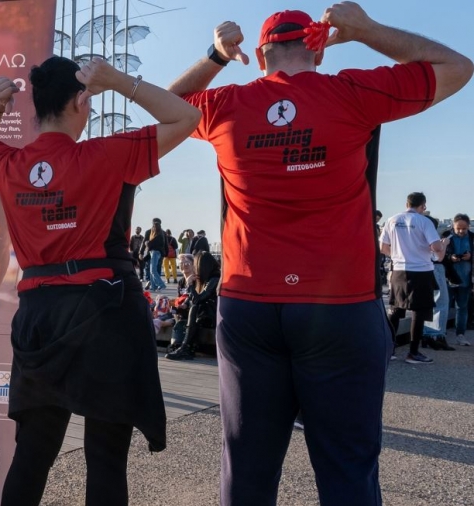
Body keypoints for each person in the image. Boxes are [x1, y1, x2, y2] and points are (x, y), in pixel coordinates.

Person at [167, 3, 471, 504]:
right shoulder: (351, 92)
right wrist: (367, 30)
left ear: (260, 56)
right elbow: (457, 67)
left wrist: (216, 56)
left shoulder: (226, 103)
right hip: (339, 304)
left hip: (250, 303)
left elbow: (165, 105)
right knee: (348, 469)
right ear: (319, 51)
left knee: (247, 467)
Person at [0, 55, 200, 505]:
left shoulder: (11, 164)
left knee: (32, 454)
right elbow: (186, 117)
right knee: (106, 458)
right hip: (105, 313)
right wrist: (119, 81)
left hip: (39, 316)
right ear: (80, 101)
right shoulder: (107, 153)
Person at [381, 193, 447, 364]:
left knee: (396, 310)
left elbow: (383, 247)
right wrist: (444, 245)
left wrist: (398, 255)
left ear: (406, 204)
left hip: (399, 271)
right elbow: (436, 246)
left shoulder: (392, 220)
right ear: (423, 206)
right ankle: (413, 352)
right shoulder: (424, 221)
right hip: (421, 271)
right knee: (419, 312)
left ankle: (389, 350)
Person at [166, 250, 220, 361]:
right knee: (188, 310)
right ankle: (184, 346)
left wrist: (190, 284)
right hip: (204, 315)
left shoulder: (214, 279)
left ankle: (185, 347)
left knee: (195, 307)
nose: (195, 269)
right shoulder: (205, 279)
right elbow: (194, 298)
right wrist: (184, 303)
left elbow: (198, 300)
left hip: (214, 315)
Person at [446, 213, 474, 346]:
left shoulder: (472, 238)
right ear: (453, 226)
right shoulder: (447, 237)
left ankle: (460, 334)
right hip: (448, 278)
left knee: (462, 307)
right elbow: (438, 254)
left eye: (464, 228)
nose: (461, 231)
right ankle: (439, 334)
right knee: (444, 307)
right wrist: (450, 257)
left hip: (465, 279)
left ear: (468, 226)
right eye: (458, 228)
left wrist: (470, 256)